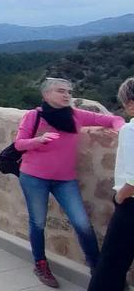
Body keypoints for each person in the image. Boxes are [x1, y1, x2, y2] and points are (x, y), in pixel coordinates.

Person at [15, 77, 124, 288]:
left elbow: (111, 120)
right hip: (34, 177)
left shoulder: (75, 115)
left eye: (68, 91)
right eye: (60, 91)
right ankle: (40, 264)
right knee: (37, 223)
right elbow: (19, 144)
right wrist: (38, 141)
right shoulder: (33, 116)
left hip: (65, 180)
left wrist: (123, 129)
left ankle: (98, 269)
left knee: (82, 224)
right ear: (46, 95)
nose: (66, 95)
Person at [88, 78, 134, 291]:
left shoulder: (130, 130)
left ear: (130, 104)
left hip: (131, 205)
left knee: (111, 262)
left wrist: (120, 197)